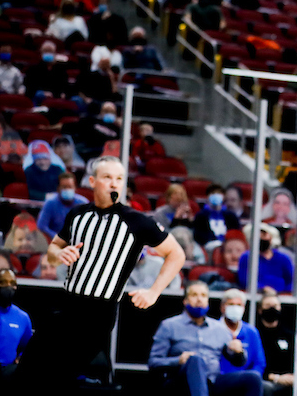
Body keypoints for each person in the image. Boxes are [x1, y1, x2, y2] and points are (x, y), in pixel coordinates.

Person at [14, 156, 186, 390]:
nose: (114, 183)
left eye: (119, 179)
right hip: (66, 303)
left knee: (57, 376)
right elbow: (54, 248)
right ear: (93, 181)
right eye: (107, 178)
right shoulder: (77, 213)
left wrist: (154, 292)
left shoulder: (137, 221)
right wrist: (59, 255)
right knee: (28, 366)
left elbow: (177, 254)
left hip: (98, 312)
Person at [149, 281, 262, 396]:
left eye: (203, 295)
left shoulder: (219, 328)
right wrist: (178, 360)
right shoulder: (169, 326)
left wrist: (239, 352)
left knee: (253, 378)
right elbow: (153, 362)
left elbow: (239, 362)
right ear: (185, 301)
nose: (199, 299)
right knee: (195, 360)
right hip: (181, 381)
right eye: (194, 295)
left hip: (212, 380)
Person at [219, 289, 267, 382]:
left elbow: (259, 363)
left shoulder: (251, 332)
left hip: (246, 381)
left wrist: (252, 378)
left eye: (239, 305)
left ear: (244, 308)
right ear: (222, 307)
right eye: (231, 304)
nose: (235, 308)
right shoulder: (213, 329)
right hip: (220, 380)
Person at [256, 289, 297, 395]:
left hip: (289, 380)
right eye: (268, 305)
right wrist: (276, 378)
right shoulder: (255, 334)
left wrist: (294, 376)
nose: (272, 308)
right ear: (260, 310)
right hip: (266, 380)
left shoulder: (289, 335)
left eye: (275, 305)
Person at [238, 224, 295, 293]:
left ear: (271, 237)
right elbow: (244, 280)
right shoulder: (246, 257)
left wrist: (284, 293)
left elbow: (291, 280)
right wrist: (262, 289)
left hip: (283, 297)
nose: (261, 238)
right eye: (258, 235)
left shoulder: (283, 258)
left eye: (264, 235)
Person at [37, 170, 88, 238]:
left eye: (70, 187)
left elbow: (88, 225)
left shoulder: (83, 203)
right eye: (64, 187)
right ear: (58, 189)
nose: (67, 189)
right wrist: (57, 238)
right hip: (54, 240)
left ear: (75, 188)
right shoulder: (50, 203)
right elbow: (42, 226)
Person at [194, 184, 243, 249]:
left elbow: (236, 234)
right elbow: (199, 236)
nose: (216, 195)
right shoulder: (201, 216)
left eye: (219, 193)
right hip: (208, 247)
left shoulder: (231, 217)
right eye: (212, 193)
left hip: (228, 246)